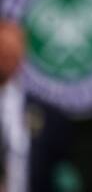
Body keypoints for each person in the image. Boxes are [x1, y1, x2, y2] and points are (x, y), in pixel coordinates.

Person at [0, 19, 76, 192]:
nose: (6, 57)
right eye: (2, 50)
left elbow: (57, 168)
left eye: (12, 52)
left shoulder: (46, 113)